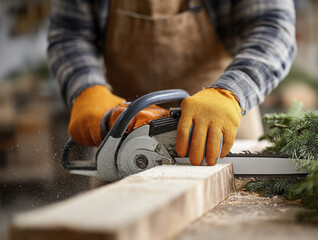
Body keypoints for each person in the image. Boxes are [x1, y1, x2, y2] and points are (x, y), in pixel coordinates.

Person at [48, 0, 297, 166]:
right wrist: (87, 90)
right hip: (124, 127)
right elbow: (70, 35)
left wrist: (230, 92)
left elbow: (273, 27)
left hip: (223, 118)